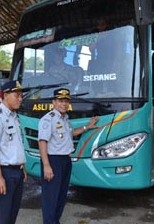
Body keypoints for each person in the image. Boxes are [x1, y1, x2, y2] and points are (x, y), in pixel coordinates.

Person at [38, 88, 99, 224]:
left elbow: (69, 133)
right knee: (51, 197)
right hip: (53, 161)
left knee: (61, 196)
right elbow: (42, 142)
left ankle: (55, 221)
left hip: (65, 160)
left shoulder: (64, 118)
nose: (64, 104)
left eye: (66, 101)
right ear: (53, 102)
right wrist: (47, 166)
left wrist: (87, 127)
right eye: (60, 101)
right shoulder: (48, 120)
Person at [0, 80, 28, 224]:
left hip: (17, 172)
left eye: (21, 95)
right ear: (5, 95)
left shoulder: (15, 117)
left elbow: (16, 145)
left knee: (12, 215)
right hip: (3, 173)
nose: (20, 99)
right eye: (17, 95)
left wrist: (23, 167)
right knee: (1, 217)